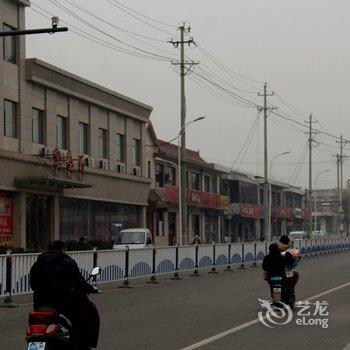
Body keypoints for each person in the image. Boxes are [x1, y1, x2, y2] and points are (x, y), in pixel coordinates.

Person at [30, 240, 100, 349]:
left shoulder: (38, 263)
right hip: (64, 304)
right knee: (87, 314)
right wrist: (91, 288)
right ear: (63, 249)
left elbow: (33, 285)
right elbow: (79, 283)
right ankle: (81, 344)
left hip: (40, 304)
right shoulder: (67, 262)